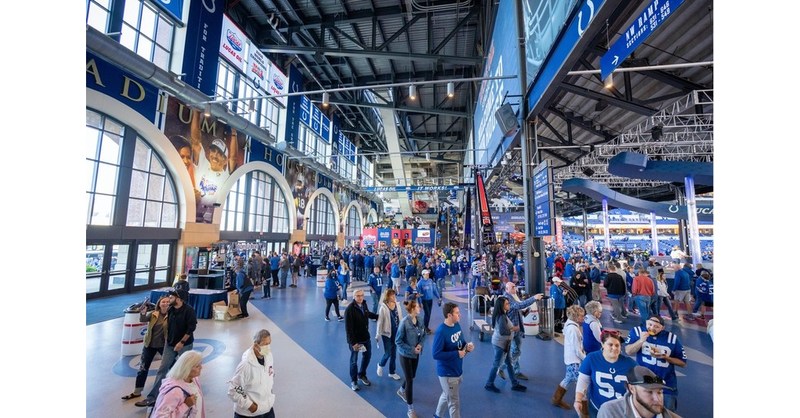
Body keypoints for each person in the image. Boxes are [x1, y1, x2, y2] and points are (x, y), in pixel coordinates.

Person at [136, 289, 198, 408]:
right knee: (163, 369)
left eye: (171, 297)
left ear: (178, 299)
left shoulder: (189, 310)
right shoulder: (170, 309)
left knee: (188, 369)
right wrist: (143, 313)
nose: (169, 299)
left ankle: (191, 393)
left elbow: (191, 328)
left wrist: (181, 342)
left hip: (184, 344)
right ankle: (153, 397)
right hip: (170, 345)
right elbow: (157, 317)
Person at [624, 316, 687, 412]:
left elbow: (683, 363)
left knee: (667, 412)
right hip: (643, 383)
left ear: (662, 328)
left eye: (656, 326)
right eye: (650, 324)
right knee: (640, 412)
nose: (652, 328)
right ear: (646, 323)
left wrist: (666, 358)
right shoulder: (637, 332)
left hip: (666, 385)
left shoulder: (672, 338)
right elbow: (628, 351)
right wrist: (641, 341)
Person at [574, 331, 637, 418]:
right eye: (610, 345)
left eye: (617, 345)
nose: (614, 348)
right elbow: (583, 381)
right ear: (602, 344)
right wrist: (578, 400)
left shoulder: (630, 363)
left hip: (621, 411)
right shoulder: (591, 358)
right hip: (597, 408)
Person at [122, 296, 171, 401]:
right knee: (143, 368)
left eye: (168, 302)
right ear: (159, 303)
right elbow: (143, 319)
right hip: (149, 345)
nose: (166, 303)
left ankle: (172, 387)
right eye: (163, 302)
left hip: (163, 345)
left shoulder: (172, 315)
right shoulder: (153, 314)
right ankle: (137, 391)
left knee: (170, 366)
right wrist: (143, 313)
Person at [432, 302, 474, 418]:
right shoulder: (441, 332)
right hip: (447, 373)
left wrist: (467, 347)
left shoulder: (456, 325)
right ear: (449, 315)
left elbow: (461, 343)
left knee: (447, 395)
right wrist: (456, 353)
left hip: (457, 370)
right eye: (457, 313)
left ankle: (437, 415)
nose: (460, 315)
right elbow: (436, 354)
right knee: (454, 403)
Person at [596, 366, 683, 418]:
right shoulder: (610, 412)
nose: (657, 399)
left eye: (660, 392)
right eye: (649, 392)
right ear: (632, 389)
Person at [227, 329, 275, 418]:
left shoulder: (269, 356)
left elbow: (269, 374)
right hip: (250, 414)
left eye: (269, 343)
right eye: (265, 344)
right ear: (256, 345)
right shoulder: (245, 365)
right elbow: (233, 390)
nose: (268, 347)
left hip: (267, 409)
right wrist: (250, 406)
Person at [500, 281, 543, 380]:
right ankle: (502, 368)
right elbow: (518, 306)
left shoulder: (514, 296)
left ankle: (515, 371)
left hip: (517, 329)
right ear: (507, 289)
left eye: (515, 287)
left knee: (517, 350)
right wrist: (534, 298)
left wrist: (523, 312)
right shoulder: (506, 298)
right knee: (510, 351)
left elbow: (516, 308)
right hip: (510, 330)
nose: (515, 288)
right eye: (512, 287)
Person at [484, 296, 527, 393]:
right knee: (496, 364)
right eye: (507, 304)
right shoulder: (502, 317)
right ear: (502, 306)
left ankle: (514, 383)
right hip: (500, 344)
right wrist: (513, 329)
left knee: (508, 363)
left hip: (504, 344)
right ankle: (489, 384)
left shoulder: (503, 314)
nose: (509, 305)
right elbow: (503, 332)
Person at [150, 350, 205, 418]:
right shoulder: (174, 391)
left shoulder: (193, 379)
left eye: (200, 364)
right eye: (197, 366)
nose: (201, 367)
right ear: (187, 368)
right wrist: (186, 405)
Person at [396, 300, 427, 418]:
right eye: (418, 306)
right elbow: (398, 341)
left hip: (416, 353)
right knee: (410, 380)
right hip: (405, 354)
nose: (420, 308)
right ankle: (410, 409)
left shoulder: (419, 319)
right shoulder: (404, 323)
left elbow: (423, 334)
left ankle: (401, 389)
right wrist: (412, 349)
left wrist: (420, 345)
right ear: (412, 309)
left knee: (412, 375)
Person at [344, 289, 379, 391]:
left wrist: (378, 316)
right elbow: (348, 329)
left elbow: (367, 314)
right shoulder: (350, 310)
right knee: (354, 361)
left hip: (365, 337)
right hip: (355, 341)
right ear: (354, 297)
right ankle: (354, 381)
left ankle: (362, 374)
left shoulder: (364, 305)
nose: (360, 297)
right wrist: (353, 343)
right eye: (358, 296)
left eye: (362, 295)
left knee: (367, 356)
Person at [553, 305, 586, 410]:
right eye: (581, 316)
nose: (583, 317)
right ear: (576, 317)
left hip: (570, 359)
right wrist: (585, 359)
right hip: (574, 360)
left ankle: (556, 399)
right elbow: (577, 349)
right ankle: (583, 408)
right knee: (581, 383)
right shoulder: (574, 329)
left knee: (568, 379)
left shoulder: (569, 325)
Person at [376, 288, 403, 381]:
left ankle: (392, 372)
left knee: (394, 354)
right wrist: (377, 334)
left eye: (394, 295)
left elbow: (400, 317)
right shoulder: (383, 308)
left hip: (396, 332)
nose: (394, 297)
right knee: (388, 352)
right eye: (392, 295)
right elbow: (380, 322)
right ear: (387, 297)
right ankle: (380, 364)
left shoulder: (397, 305)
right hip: (386, 333)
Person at [418, 269, 441, 335]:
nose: (428, 275)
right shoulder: (420, 283)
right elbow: (418, 294)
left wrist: (438, 297)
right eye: (426, 274)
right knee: (427, 314)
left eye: (428, 274)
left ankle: (425, 327)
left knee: (428, 314)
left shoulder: (430, 281)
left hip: (430, 300)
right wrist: (420, 303)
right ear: (423, 275)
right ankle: (425, 328)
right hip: (424, 300)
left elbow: (434, 290)